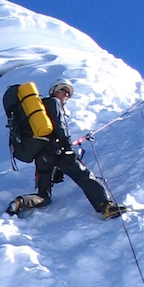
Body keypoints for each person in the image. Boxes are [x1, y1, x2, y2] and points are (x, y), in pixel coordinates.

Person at [33, 79, 124, 219]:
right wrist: (67, 148)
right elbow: (59, 126)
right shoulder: (54, 103)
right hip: (57, 150)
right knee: (83, 175)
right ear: (54, 90)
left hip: (41, 155)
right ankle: (105, 206)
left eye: (68, 93)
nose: (66, 95)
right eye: (63, 90)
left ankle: (20, 202)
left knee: (43, 196)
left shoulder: (41, 109)